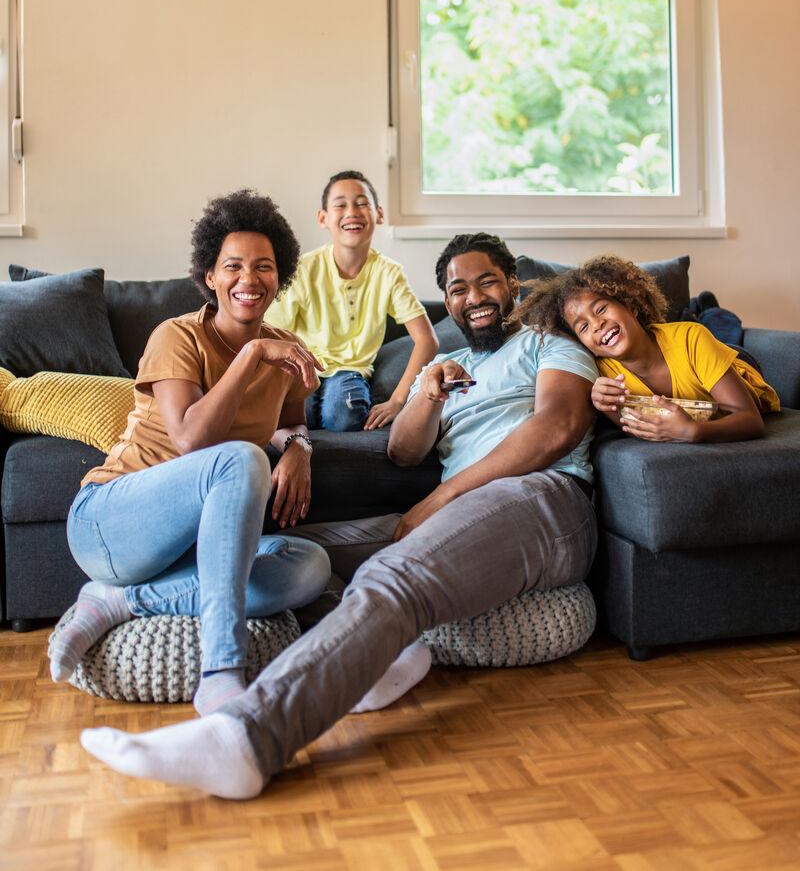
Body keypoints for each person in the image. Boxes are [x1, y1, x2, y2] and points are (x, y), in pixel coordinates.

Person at [78, 232, 599, 799]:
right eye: (457, 288)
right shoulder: (447, 363)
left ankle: (248, 738)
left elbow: (557, 428)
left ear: (513, 285)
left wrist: (440, 500)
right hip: (465, 516)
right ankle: (365, 652)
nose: (473, 296)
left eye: (487, 282)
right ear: (445, 301)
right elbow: (402, 453)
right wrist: (426, 394)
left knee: (394, 575)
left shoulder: (550, 343)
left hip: (543, 500)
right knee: (298, 549)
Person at [49, 189, 331, 717]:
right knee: (242, 458)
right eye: (233, 266)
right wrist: (251, 355)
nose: (249, 279)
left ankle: (121, 600)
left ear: (280, 277)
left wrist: (299, 450)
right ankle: (221, 670)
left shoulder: (285, 347)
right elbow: (192, 440)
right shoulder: (176, 336)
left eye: (264, 267)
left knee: (309, 567)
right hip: (110, 521)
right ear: (209, 276)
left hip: (190, 548)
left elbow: (293, 421)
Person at [518, 254, 779, 443]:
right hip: (692, 365)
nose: (597, 324)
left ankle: (706, 310)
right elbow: (633, 426)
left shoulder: (691, 339)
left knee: (719, 330)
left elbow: (750, 421)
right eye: (583, 327)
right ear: (586, 345)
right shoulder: (602, 372)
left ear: (631, 306)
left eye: (601, 309)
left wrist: (691, 432)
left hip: (735, 364)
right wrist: (603, 404)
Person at [265, 170, 437, 431]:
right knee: (292, 414)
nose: (352, 212)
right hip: (304, 367)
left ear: (379, 214)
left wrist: (398, 400)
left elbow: (428, 340)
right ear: (323, 218)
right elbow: (272, 332)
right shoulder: (303, 269)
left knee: (343, 417)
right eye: (340, 205)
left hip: (350, 372)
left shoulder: (389, 273)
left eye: (361, 203)